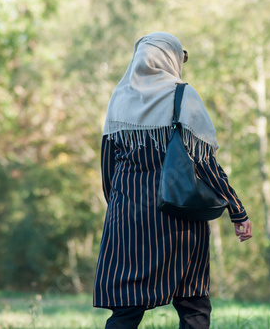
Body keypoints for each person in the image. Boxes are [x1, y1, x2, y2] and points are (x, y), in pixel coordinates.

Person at [93, 32, 253, 329]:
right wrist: (237, 211)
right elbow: (205, 162)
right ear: (171, 58)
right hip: (177, 217)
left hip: (127, 218)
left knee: (126, 310)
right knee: (193, 306)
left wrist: (119, 206)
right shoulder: (182, 95)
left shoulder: (119, 98)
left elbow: (107, 166)